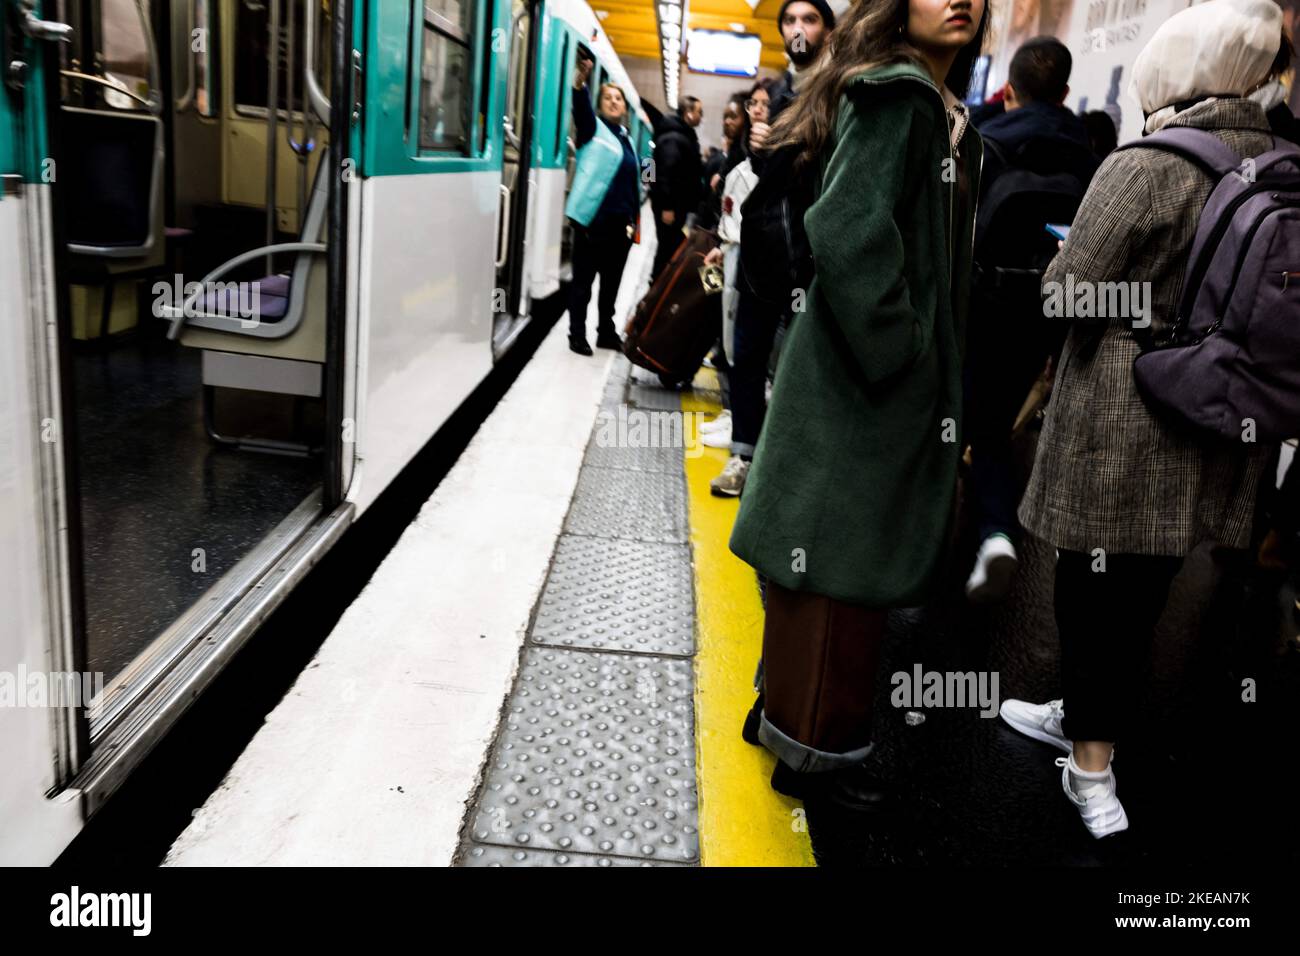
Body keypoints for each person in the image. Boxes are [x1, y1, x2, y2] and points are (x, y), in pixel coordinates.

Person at [999, 0, 1286, 839]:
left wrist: (1074, 267)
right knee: (1144, 588)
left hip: (1129, 411)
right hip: (1222, 412)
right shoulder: (1275, 160)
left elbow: (1068, 291)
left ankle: (1090, 770)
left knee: (1092, 594)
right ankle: (1082, 717)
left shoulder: (1150, 163)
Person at [728, 0, 987, 808]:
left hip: (853, 372)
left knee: (819, 548)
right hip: (862, 377)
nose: (963, 1)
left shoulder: (930, 107)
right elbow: (844, 225)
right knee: (843, 561)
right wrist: (902, 349)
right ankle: (812, 753)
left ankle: (777, 707)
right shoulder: (900, 98)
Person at [963, 36, 1100, 602]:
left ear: (1009, 90)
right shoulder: (1092, 154)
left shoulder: (984, 141)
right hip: (1047, 308)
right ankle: (993, 532)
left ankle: (973, 534)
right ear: (1067, 91)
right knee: (994, 425)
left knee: (954, 416)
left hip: (979, 300)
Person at [710, 0, 835, 497]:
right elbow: (764, 179)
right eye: (790, 20)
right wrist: (758, 152)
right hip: (764, 251)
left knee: (797, 365)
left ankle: (784, 467)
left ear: (828, 29)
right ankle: (743, 457)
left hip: (813, 254)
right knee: (747, 355)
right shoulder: (779, 94)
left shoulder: (841, 91)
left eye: (810, 19)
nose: (798, 28)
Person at [699, 82, 771, 450]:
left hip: (751, 260)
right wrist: (721, 245)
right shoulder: (741, 151)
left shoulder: (773, 156)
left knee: (744, 348)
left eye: (764, 103)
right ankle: (732, 413)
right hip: (730, 252)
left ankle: (743, 422)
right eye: (752, 103)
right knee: (726, 338)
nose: (756, 109)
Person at [565, 54, 643, 357]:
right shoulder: (591, 128)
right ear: (600, 105)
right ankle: (577, 334)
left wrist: (635, 221)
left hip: (620, 227)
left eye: (618, 98)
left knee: (611, 286)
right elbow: (580, 107)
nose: (613, 102)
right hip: (592, 223)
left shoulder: (627, 138)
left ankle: (606, 333)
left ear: (624, 107)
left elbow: (638, 176)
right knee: (583, 283)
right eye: (608, 98)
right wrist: (580, 81)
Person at [649, 96, 704, 279]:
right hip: (670, 208)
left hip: (675, 206)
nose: (701, 117)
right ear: (688, 113)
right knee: (667, 250)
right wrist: (667, 206)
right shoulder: (675, 138)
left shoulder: (679, 135)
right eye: (699, 112)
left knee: (669, 248)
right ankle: (654, 294)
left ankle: (657, 291)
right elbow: (665, 173)